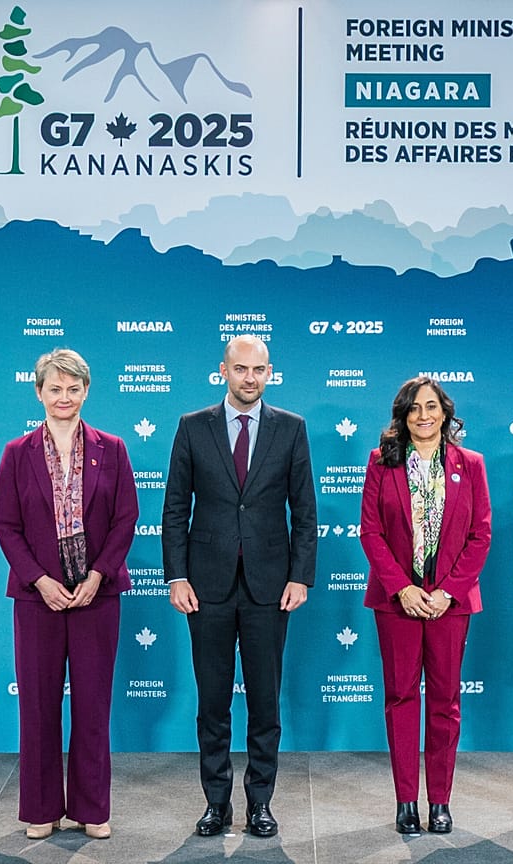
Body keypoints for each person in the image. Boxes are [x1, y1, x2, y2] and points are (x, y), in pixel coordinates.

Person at [162, 335, 317, 838]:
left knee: (266, 702)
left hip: (270, 588)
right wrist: (177, 575)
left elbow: (306, 513)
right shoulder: (192, 427)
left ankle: (260, 803)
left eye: (260, 370)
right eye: (241, 369)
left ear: (269, 373)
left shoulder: (291, 429)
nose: (250, 378)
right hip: (204, 587)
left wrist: (300, 575)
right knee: (212, 701)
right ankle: (216, 803)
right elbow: (173, 510)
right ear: (222, 371)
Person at [0, 349, 138, 840]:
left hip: (97, 595)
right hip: (39, 598)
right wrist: (38, 579)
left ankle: (92, 808)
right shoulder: (17, 453)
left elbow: (126, 518)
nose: (63, 397)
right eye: (54, 389)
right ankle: (40, 808)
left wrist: (99, 574)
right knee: (37, 706)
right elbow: (6, 526)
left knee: (93, 705)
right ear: (38, 393)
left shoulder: (112, 448)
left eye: (73, 388)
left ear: (86, 391)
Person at [360, 377, 492, 835]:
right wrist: (403, 589)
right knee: (400, 698)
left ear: (445, 413)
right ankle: (406, 802)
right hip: (398, 602)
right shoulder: (382, 462)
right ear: (403, 414)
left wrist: (446, 591)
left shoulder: (470, 464)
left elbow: (480, 536)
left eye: (431, 406)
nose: (423, 415)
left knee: (444, 702)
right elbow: (371, 532)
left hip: (448, 604)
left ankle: (440, 802)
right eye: (414, 408)